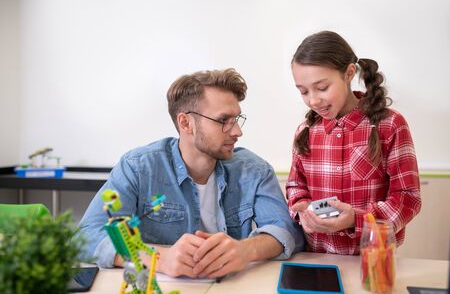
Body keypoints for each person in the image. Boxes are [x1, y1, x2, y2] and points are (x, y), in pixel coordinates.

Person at [79, 68, 304, 278]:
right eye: (223, 120)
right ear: (186, 123)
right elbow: (86, 236)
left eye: (236, 119)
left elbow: (288, 230)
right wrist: (159, 258)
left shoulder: (254, 170)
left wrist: (246, 250)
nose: (237, 131)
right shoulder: (138, 167)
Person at [286, 31, 421, 255]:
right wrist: (301, 209)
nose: (313, 100)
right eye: (303, 91)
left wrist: (356, 220)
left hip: (374, 262)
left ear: (349, 73)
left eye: (322, 88)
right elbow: (295, 187)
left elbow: (408, 198)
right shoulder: (305, 132)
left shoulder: (390, 125)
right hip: (317, 259)